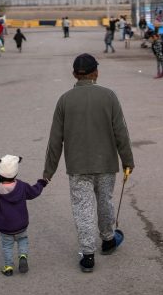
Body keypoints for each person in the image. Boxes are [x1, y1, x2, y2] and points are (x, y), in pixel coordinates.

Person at [43, 54, 134, 273]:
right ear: (96, 72)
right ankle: (108, 239)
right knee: (105, 202)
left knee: (83, 208)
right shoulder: (109, 96)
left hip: (78, 166)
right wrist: (128, 161)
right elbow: (121, 131)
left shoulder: (64, 100)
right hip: (106, 164)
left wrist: (48, 172)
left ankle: (88, 255)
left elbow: (55, 139)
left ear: (75, 74)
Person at [0, 155, 47, 276]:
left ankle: (8, 267)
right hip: (21, 224)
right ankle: (23, 256)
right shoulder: (22, 186)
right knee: (23, 239)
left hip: (5, 227)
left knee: (7, 245)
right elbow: (34, 192)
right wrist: (41, 183)